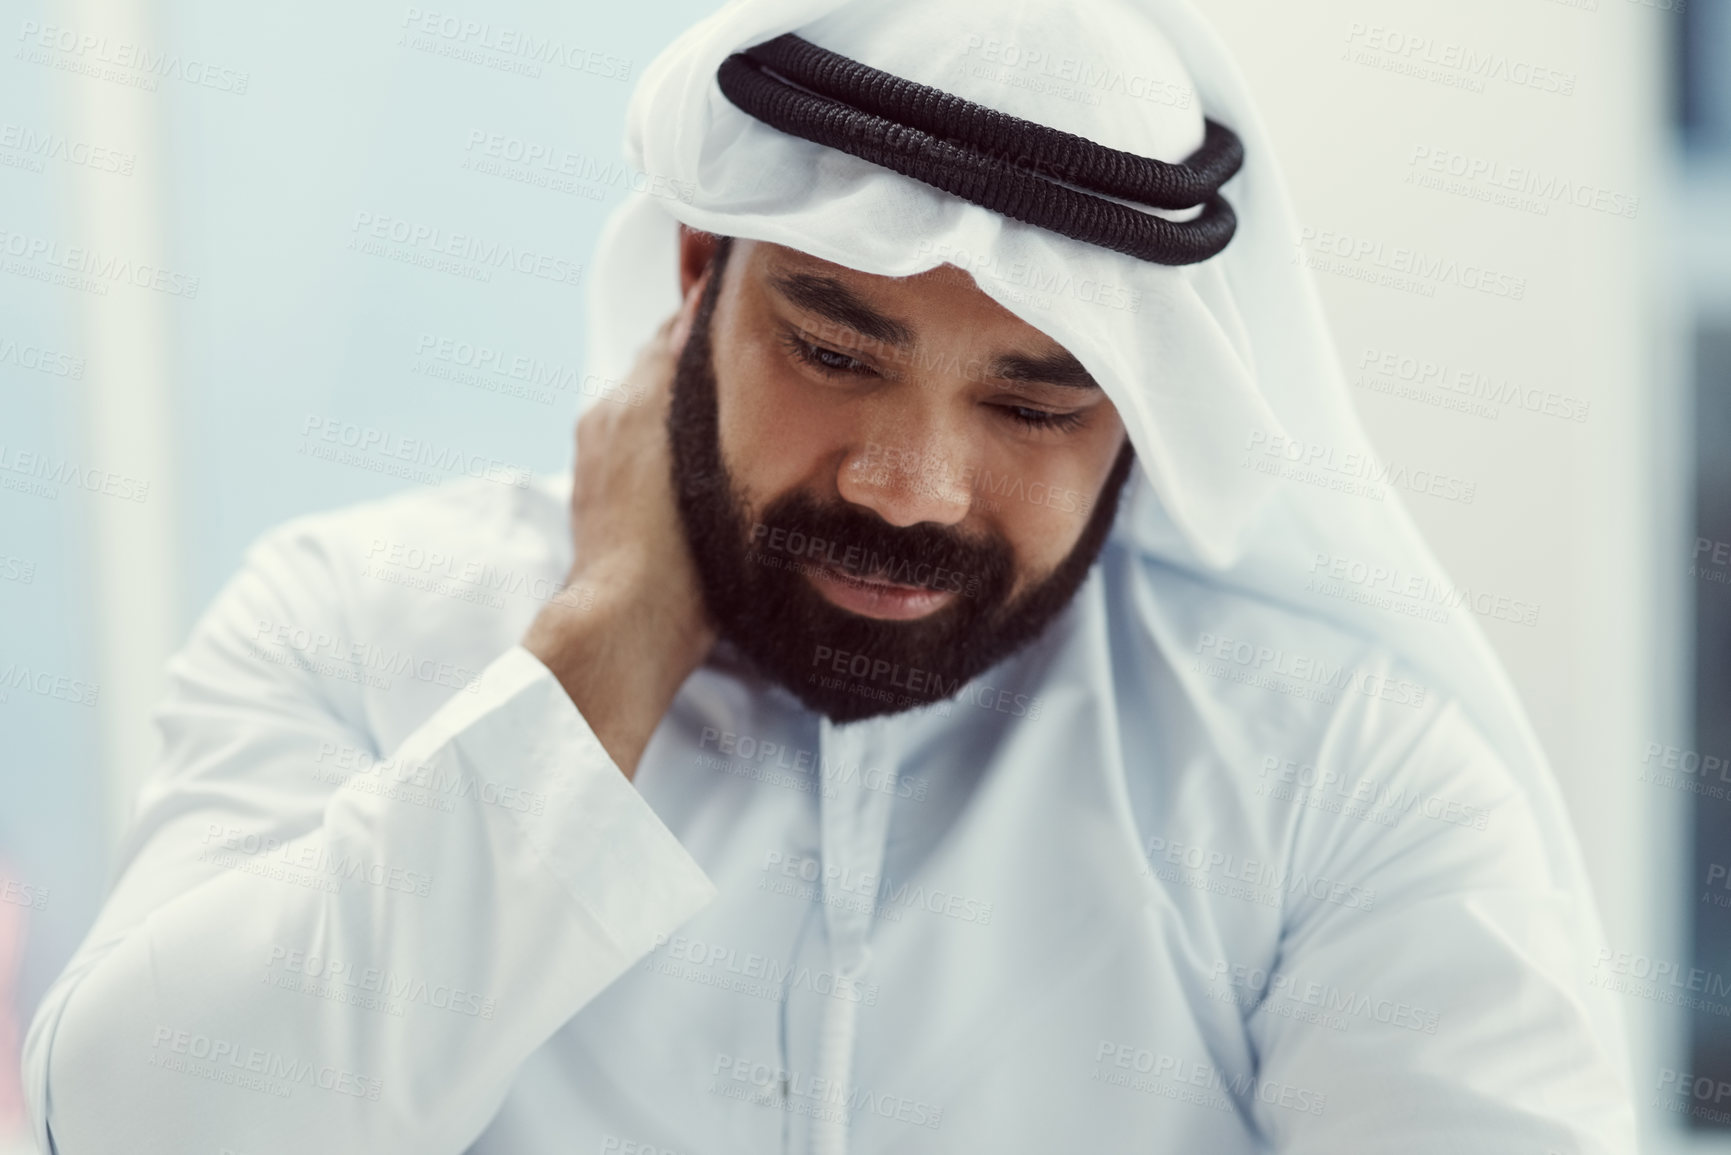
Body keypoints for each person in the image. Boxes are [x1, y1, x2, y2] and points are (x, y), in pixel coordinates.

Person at [25, 0, 1637, 1151]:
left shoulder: (1332, 767)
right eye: (831, 348)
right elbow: (139, 1124)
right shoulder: (359, 628)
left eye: (1034, 402)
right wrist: (595, 661)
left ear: (1144, 411)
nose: (908, 485)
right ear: (691, 281)